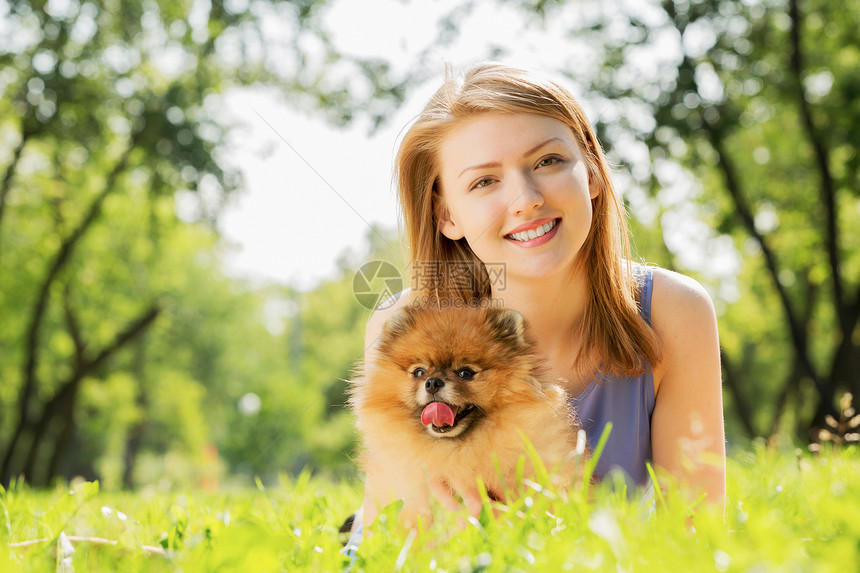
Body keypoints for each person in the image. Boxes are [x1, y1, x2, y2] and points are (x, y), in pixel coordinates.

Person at [350, 62, 725, 542]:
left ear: (590, 172)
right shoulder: (405, 324)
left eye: (547, 161)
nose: (526, 199)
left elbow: (697, 538)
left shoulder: (674, 312)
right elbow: (389, 529)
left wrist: (546, 546)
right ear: (446, 215)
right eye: (484, 181)